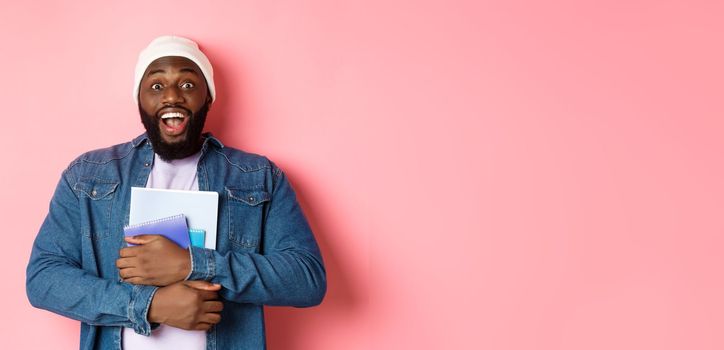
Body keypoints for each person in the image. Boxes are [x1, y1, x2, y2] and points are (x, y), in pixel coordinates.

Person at [26, 35, 326, 350]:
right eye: (156, 86)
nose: (172, 96)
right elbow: (44, 279)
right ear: (139, 99)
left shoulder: (258, 176)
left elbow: (306, 279)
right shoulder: (88, 175)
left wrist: (193, 264)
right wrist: (149, 306)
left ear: (208, 97)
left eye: (187, 85)